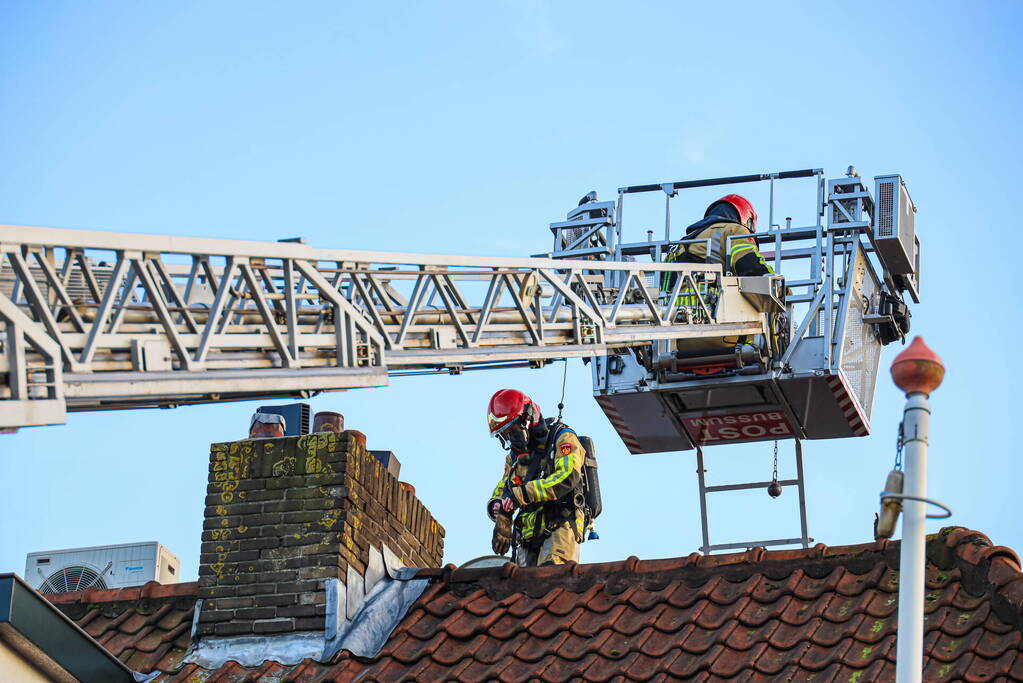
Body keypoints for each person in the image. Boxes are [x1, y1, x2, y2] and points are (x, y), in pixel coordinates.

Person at [485, 389, 587, 566]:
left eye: (513, 432)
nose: (511, 440)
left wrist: (521, 495)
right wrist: (497, 505)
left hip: (559, 527)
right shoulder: (515, 458)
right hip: (527, 537)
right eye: (505, 435)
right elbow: (505, 486)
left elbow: (567, 477)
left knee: (552, 582)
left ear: (527, 419)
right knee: (523, 589)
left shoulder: (562, 438)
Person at [661, 194, 773, 295]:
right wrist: (779, 287)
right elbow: (749, 264)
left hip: (673, 309)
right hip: (708, 303)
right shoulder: (734, 230)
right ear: (747, 219)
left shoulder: (681, 245)